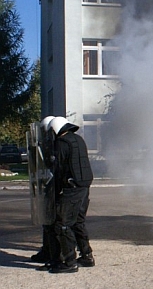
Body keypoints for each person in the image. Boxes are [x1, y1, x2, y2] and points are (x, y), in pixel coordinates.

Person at [46, 116, 95, 273]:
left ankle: (69, 262)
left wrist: (55, 190)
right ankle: (87, 256)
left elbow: (58, 169)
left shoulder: (61, 143)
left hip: (71, 188)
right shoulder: (78, 140)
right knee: (78, 222)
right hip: (84, 186)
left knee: (62, 224)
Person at [31, 116, 58, 266]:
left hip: (55, 189)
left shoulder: (57, 145)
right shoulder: (47, 145)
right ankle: (47, 250)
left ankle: (54, 253)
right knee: (47, 223)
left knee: (54, 224)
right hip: (48, 188)